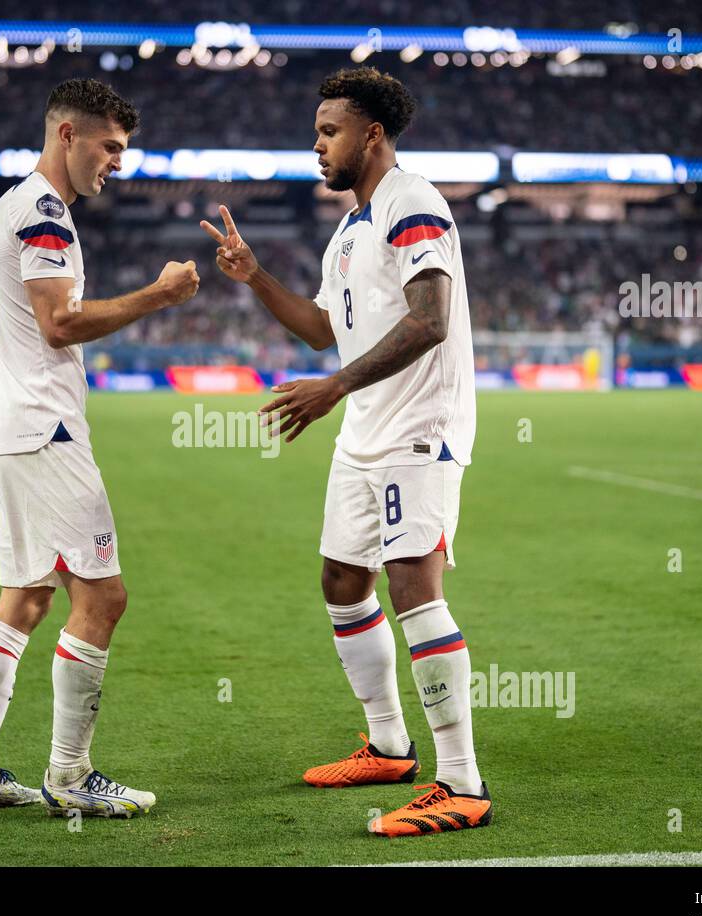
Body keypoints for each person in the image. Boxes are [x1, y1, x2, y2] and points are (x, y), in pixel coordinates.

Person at [201, 67, 489, 838]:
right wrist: (255, 275)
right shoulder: (351, 228)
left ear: (372, 134)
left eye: (329, 132)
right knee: (340, 580)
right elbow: (324, 328)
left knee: (414, 588)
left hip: (419, 428)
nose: (317, 145)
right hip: (366, 431)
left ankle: (461, 780)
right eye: (315, 132)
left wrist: (331, 390)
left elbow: (430, 320)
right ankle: (390, 745)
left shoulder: (412, 203)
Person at [0, 79, 199, 817]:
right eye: (109, 147)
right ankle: (70, 775)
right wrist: (157, 295)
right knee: (103, 596)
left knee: (25, 600)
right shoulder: (45, 211)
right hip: (42, 430)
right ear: (68, 134)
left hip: (10, 428)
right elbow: (58, 324)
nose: (117, 162)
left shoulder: (19, 205)